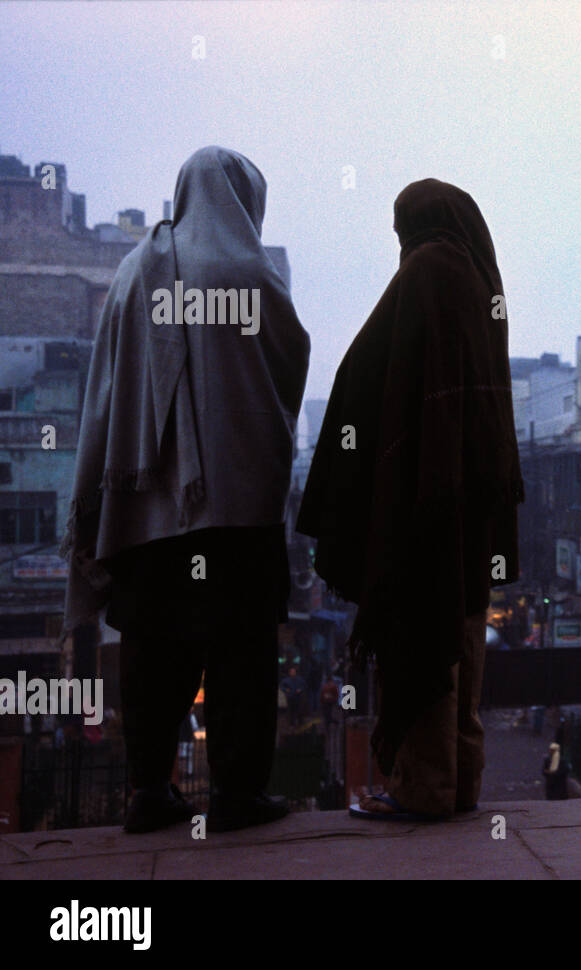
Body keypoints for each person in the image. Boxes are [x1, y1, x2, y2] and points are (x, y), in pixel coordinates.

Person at [61, 146, 310, 833]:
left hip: (149, 507)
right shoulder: (251, 272)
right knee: (242, 653)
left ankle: (149, 791)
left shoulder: (137, 270)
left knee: (152, 649)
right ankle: (237, 795)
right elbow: (287, 370)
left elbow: (108, 387)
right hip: (237, 506)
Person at [298, 178, 524, 821]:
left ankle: (424, 789)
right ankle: (460, 782)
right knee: (463, 636)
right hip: (470, 502)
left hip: (425, 501)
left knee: (423, 633)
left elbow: (363, 372)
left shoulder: (426, 272)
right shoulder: (483, 281)